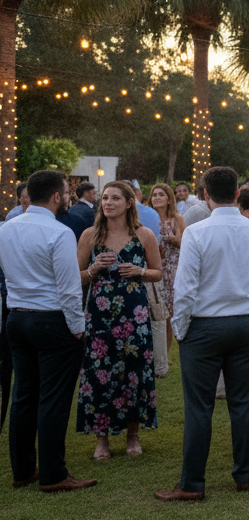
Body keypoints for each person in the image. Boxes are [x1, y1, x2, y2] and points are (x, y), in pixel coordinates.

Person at [156, 166, 249, 502]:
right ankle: (244, 476)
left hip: (204, 325)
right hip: (245, 323)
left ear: (205, 194)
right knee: (242, 403)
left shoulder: (197, 233)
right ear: (238, 194)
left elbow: (184, 290)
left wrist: (181, 330)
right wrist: (242, 289)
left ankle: (192, 483)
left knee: (199, 407)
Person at [1, 171, 96, 492]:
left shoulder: (6, 228)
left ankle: (23, 469)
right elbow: (69, 289)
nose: (68, 196)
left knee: (23, 396)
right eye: (67, 192)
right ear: (57, 196)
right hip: (52, 320)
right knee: (53, 400)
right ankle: (54, 474)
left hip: (16, 318)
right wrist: (77, 327)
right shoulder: (58, 232)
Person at [76, 180, 163, 460]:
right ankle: (101, 439)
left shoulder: (144, 234)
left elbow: (158, 272)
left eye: (115, 198)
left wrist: (140, 271)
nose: (108, 203)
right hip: (100, 312)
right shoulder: (90, 234)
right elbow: (75, 277)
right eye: (104, 198)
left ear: (128, 203)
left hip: (134, 311)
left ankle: (132, 435)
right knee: (99, 370)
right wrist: (92, 269)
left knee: (134, 370)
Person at [150, 183, 186, 349]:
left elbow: (187, 244)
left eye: (161, 195)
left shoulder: (177, 219)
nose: (156, 198)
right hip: (152, 267)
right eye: (154, 195)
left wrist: (174, 239)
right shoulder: (147, 218)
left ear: (169, 199)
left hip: (171, 269)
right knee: (152, 311)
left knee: (168, 313)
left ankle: (165, 351)